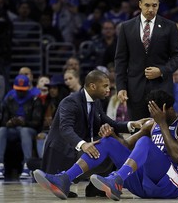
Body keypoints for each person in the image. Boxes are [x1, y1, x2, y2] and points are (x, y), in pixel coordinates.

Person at [33, 90, 178, 200]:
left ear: (165, 109)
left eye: (155, 112)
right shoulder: (151, 124)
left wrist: (162, 124)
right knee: (108, 142)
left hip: (170, 184)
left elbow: (177, 155)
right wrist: (112, 135)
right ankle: (65, 179)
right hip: (144, 186)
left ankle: (117, 179)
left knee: (145, 142)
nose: (152, 116)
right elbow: (126, 145)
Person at [41, 69, 144, 198]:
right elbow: (66, 129)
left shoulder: (96, 102)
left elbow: (111, 123)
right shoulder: (71, 102)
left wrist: (132, 124)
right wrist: (83, 144)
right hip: (63, 152)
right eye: (105, 86)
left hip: (78, 149)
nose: (109, 89)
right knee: (104, 146)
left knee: (113, 141)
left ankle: (94, 188)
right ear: (93, 86)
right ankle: (62, 179)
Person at [115, 0, 178, 121]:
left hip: (161, 89)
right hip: (135, 90)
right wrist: (121, 87)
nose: (151, 9)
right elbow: (121, 60)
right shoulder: (126, 27)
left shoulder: (169, 26)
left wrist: (162, 70)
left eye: (155, 5)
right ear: (140, 4)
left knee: (162, 134)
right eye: (147, 5)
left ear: (158, 5)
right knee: (138, 133)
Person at [0, 75, 43, 179]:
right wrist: (9, 122)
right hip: (12, 130)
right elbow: (3, 121)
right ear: (14, 88)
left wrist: (24, 122)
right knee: (1, 130)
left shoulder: (35, 98)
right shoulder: (9, 98)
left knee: (24, 131)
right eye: (18, 90)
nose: (20, 92)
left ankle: (26, 165)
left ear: (28, 88)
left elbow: (37, 122)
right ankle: (0, 164)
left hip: (29, 130)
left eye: (23, 90)